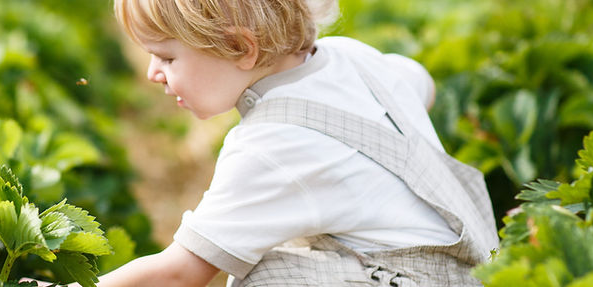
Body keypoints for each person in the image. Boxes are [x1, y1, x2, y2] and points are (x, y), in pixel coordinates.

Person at [52, 0, 500, 286]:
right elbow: (419, 82)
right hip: (481, 267)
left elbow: (179, 273)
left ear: (241, 48)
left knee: (269, 276)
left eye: (167, 57)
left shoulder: (269, 146)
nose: (153, 73)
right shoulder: (353, 57)